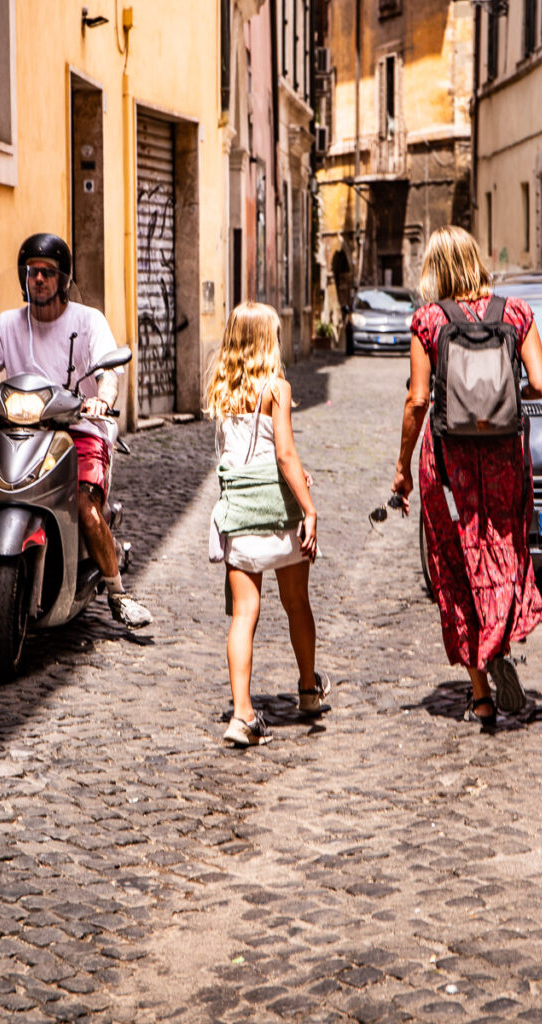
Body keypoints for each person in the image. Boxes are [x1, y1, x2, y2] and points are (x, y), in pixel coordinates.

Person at [392, 225, 542, 728]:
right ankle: (499, 639)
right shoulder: (516, 313)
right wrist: (497, 405)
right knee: (503, 551)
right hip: (503, 460)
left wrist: (401, 468)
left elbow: (418, 400)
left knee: (456, 566)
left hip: (448, 464)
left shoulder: (428, 321)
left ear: (434, 269)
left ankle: (480, 693)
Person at [0, 232, 152, 629]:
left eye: (47, 273)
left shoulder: (87, 320)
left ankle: (117, 592)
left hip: (78, 428)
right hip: (21, 428)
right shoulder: (8, 323)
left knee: (83, 504)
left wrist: (102, 398)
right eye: (31, 272)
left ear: (62, 279)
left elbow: (107, 371)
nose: (38, 280)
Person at [206, 301, 329, 747]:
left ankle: (242, 715)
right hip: (277, 512)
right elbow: (283, 455)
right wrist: (309, 507)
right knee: (297, 603)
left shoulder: (222, 388)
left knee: (243, 615)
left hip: (238, 510)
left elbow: (243, 455)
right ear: (266, 340)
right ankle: (308, 691)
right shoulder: (275, 387)